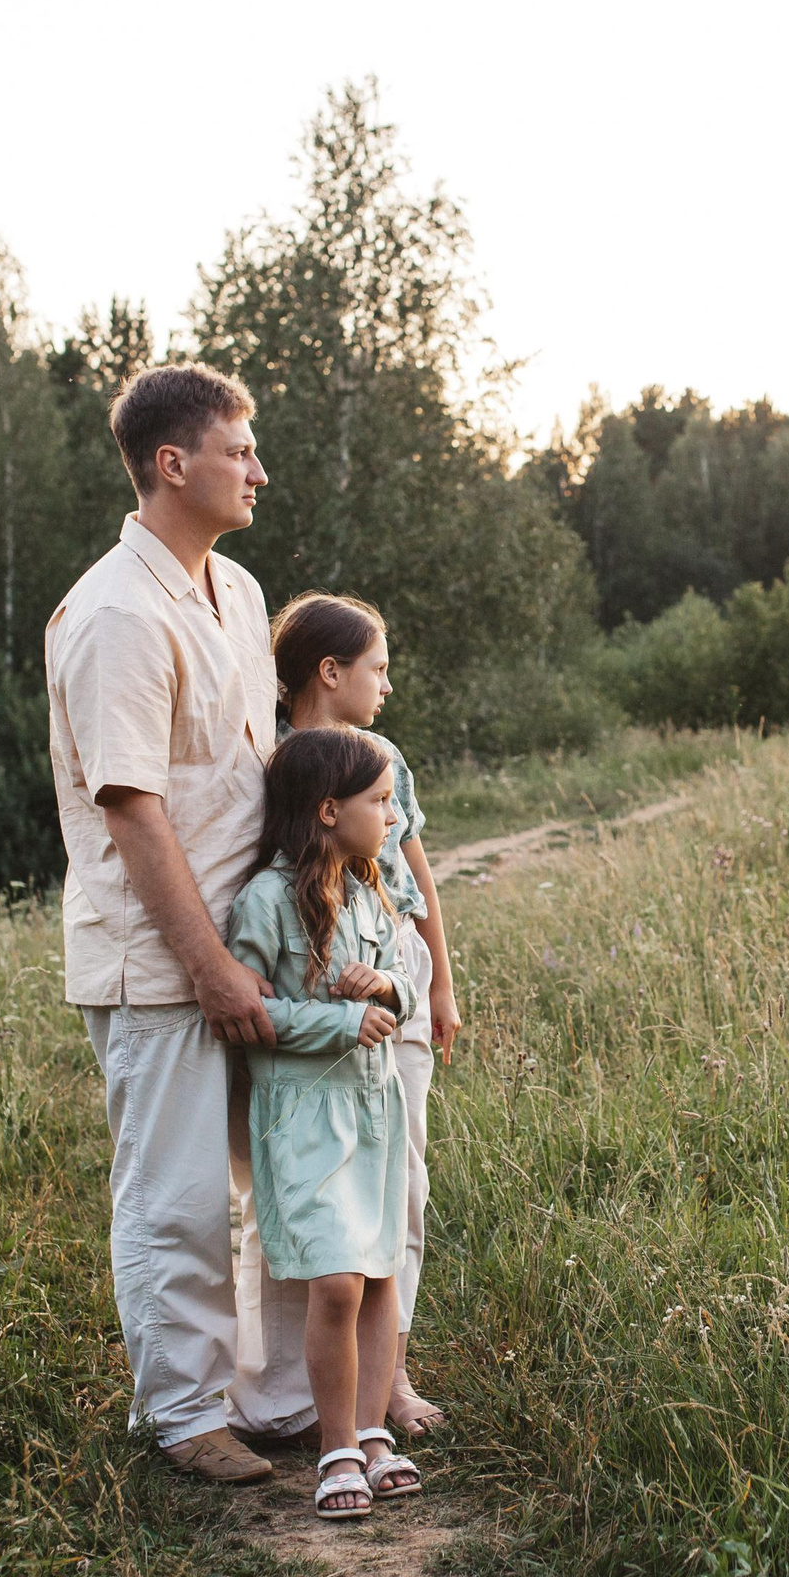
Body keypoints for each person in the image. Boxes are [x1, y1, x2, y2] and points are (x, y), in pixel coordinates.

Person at [44, 362, 279, 1485]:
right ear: (172, 463)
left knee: (262, 1179)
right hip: (163, 959)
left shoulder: (234, 592)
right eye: (241, 450)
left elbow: (254, 773)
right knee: (175, 1194)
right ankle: (184, 1417)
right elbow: (131, 807)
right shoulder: (115, 613)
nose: (258, 470)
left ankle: (266, 1394)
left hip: (253, 943)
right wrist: (207, 965)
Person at [268, 593, 459, 1436]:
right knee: (317, 1190)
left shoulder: (387, 759)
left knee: (401, 1180)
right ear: (330, 671)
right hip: (319, 991)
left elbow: (416, 878)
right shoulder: (280, 761)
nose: (386, 684)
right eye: (377, 668)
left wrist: (441, 984)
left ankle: (394, 1378)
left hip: (397, 980)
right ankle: (305, 1391)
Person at [227, 727, 424, 1518]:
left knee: (378, 1274)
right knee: (336, 1278)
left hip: (376, 1110)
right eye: (380, 803)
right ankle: (334, 1445)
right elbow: (248, 1013)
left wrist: (386, 986)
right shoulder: (267, 901)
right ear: (328, 810)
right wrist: (339, 1023)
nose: (392, 816)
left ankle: (373, 1436)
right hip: (305, 1118)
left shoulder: (375, 886)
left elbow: (405, 978)